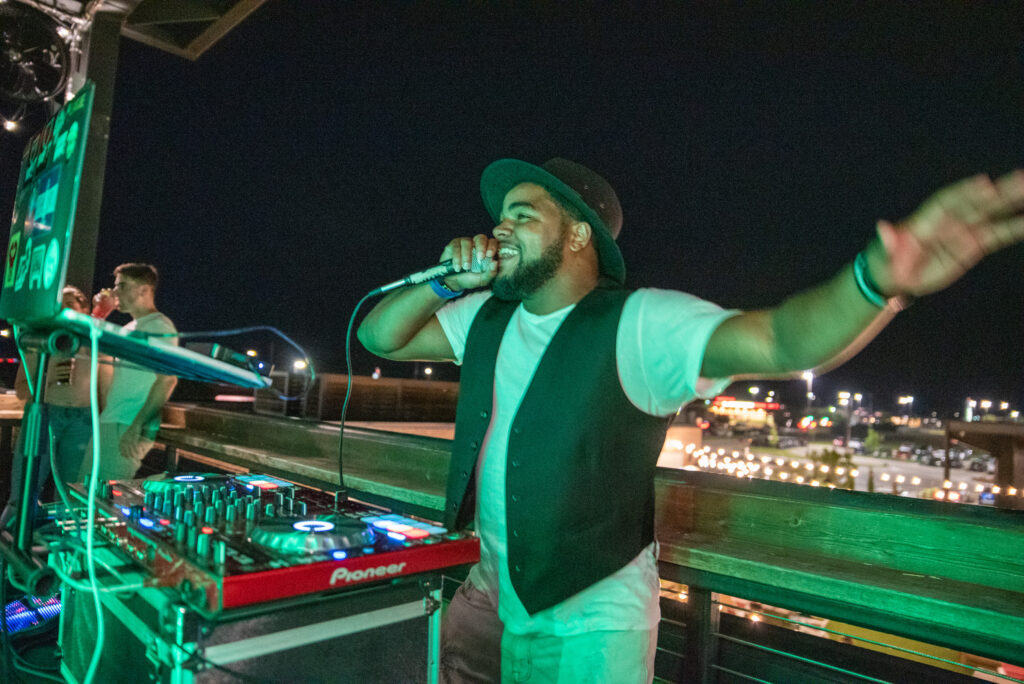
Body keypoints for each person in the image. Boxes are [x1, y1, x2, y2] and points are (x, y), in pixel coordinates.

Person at [357, 157, 1024, 683]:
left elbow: (782, 340)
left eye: (523, 215)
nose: (500, 228)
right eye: (500, 216)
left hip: (590, 618)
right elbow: (380, 336)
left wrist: (878, 282)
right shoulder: (485, 318)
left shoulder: (639, 324)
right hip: (485, 593)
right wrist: (445, 281)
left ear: (579, 233)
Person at [0, 286, 96, 528]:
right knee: (23, 489)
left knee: (72, 494)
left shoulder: (92, 342)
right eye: (59, 306)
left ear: (84, 310)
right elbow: (21, 386)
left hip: (81, 421)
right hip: (45, 415)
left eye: (71, 305)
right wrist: (45, 388)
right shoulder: (41, 342)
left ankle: (61, 551)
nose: (64, 311)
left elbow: (103, 390)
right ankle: (9, 543)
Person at [80, 263, 178, 482]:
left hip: (127, 424)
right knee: (85, 490)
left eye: (122, 286)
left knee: (100, 496)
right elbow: (90, 351)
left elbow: (167, 380)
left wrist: (137, 426)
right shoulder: (129, 329)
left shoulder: (159, 327)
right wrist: (99, 314)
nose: (115, 292)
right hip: (113, 420)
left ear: (144, 289)